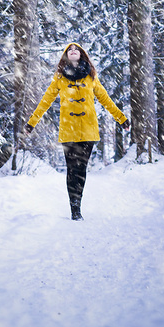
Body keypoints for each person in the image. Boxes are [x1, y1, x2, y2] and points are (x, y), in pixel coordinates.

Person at [24, 41, 130, 220]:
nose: (73, 51)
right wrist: (31, 123)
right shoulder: (59, 78)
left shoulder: (91, 77)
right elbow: (45, 101)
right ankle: (75, 209)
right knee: (72, 169)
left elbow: (105, 99)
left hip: (88, 131)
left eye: (76, 49)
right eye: (69, 49)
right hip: (68, 131)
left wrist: (121, 119)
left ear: (82, 54)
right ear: (66, 55)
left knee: (81, 170)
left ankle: (77, 203)